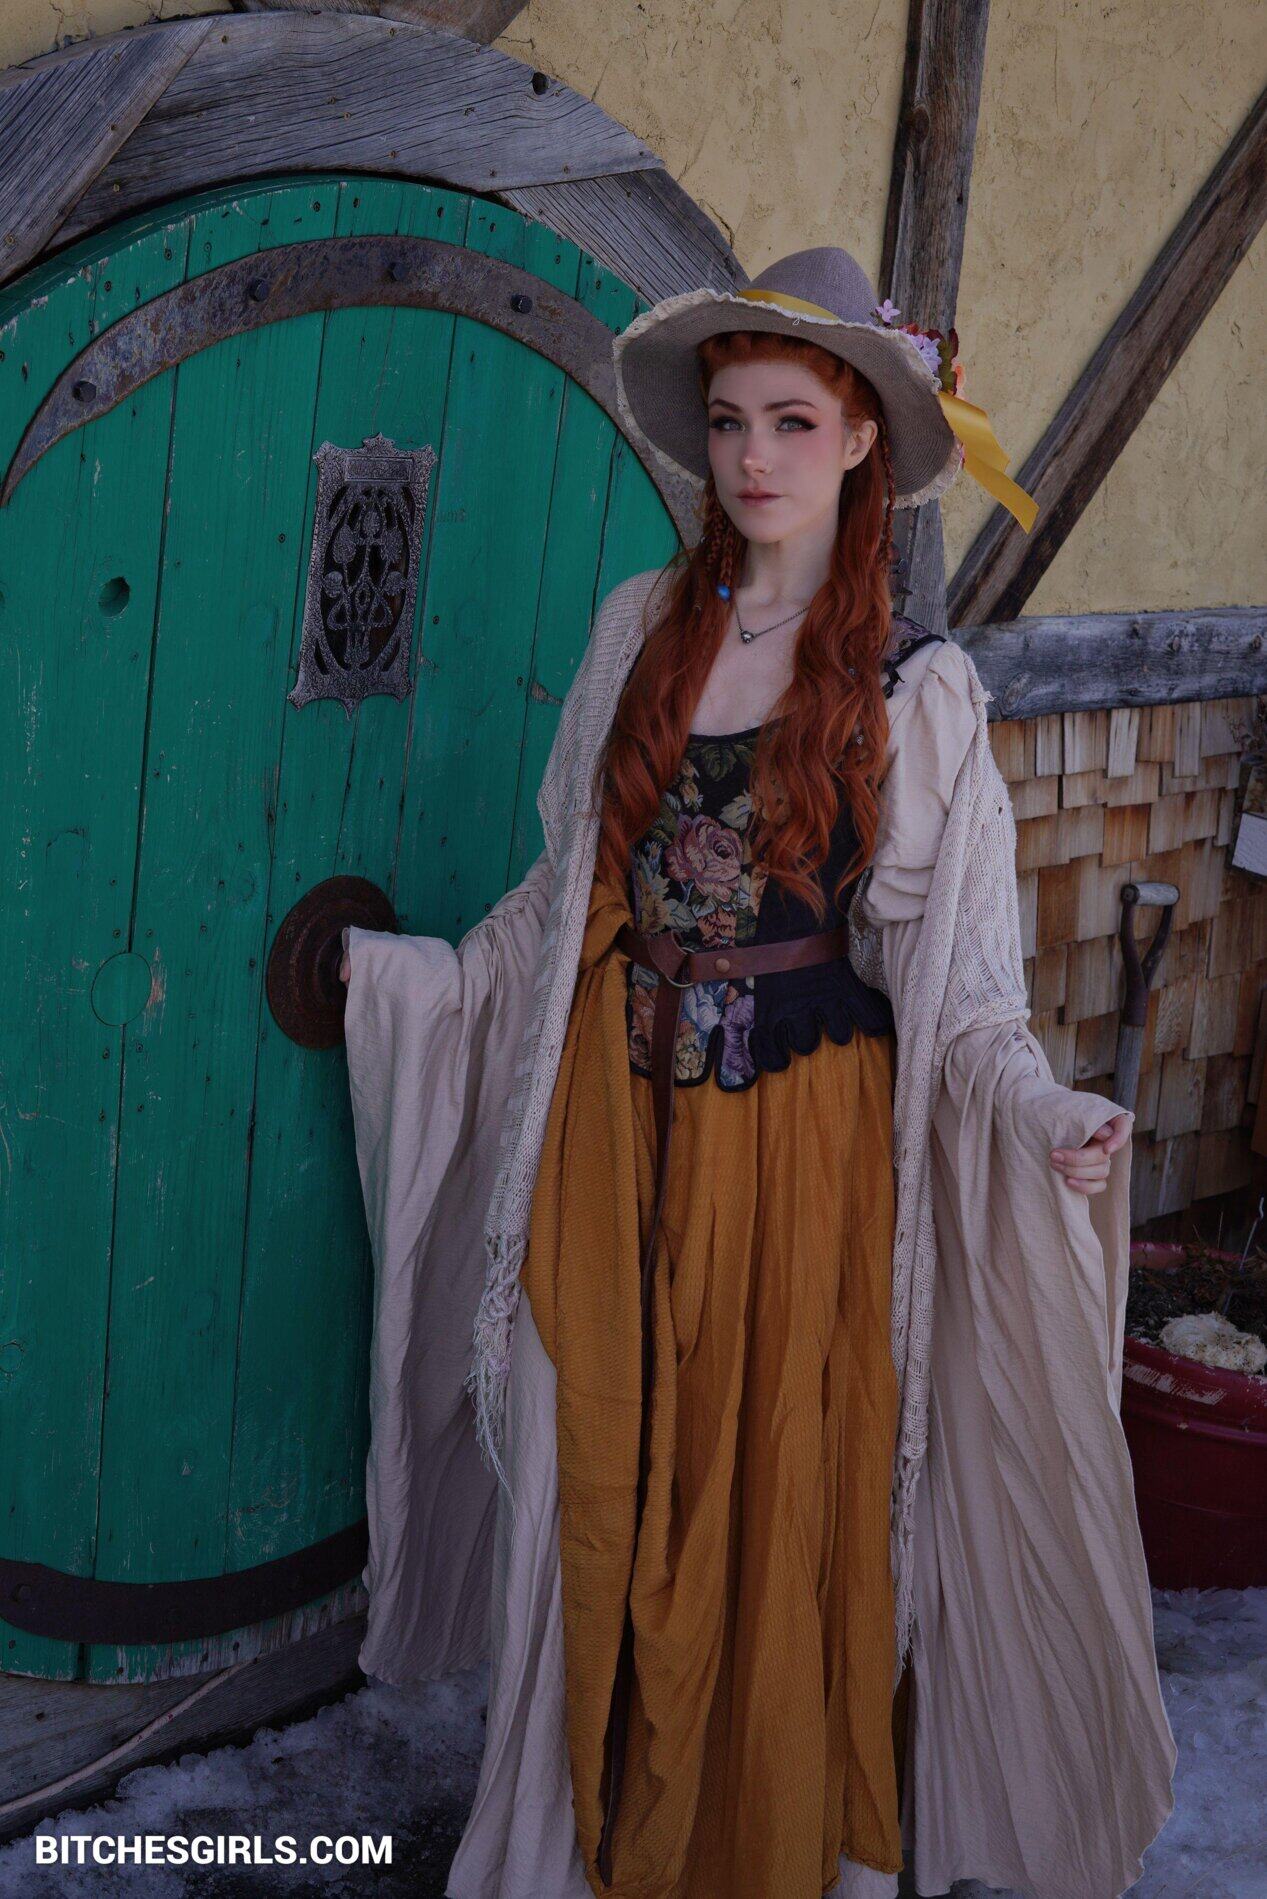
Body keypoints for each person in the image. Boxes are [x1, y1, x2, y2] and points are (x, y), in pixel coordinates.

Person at [337, 248, 1176, 1899]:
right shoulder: (637, 631)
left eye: (794, 421)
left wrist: (1044, 1112)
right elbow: (565, 894)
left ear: (863, 442)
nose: (753, 457)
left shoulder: (915, 688)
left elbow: (963, 989)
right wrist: (423, 983)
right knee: (601, 1470)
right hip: (614, 1133)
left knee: (775, 1493)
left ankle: (761, 1849)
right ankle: (585, 1843)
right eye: (729, 421)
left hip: (799, 1159)